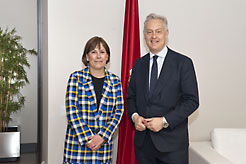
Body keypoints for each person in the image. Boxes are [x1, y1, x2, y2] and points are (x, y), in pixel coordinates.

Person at [127, 13, 199, 164]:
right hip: (143, 146)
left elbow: (191, 101)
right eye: (149, 32)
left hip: (172, 147)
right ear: (144, 35)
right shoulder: (138, 65)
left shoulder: (183, 63)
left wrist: (165, 121)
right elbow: (131, 98)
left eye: (158, 31)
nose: (154, 36)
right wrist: (135, 117)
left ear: (166, 34)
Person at [63, 36, 124, 164]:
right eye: (93, 52)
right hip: (78, 147)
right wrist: (88, 138)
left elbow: (118, 111)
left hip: (103, 147)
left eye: (102, 52)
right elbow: (72, 111)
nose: (98, 56)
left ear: (107, 57)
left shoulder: (115, 81)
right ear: (87, 57)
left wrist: (102, 137)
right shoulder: (76, 78)